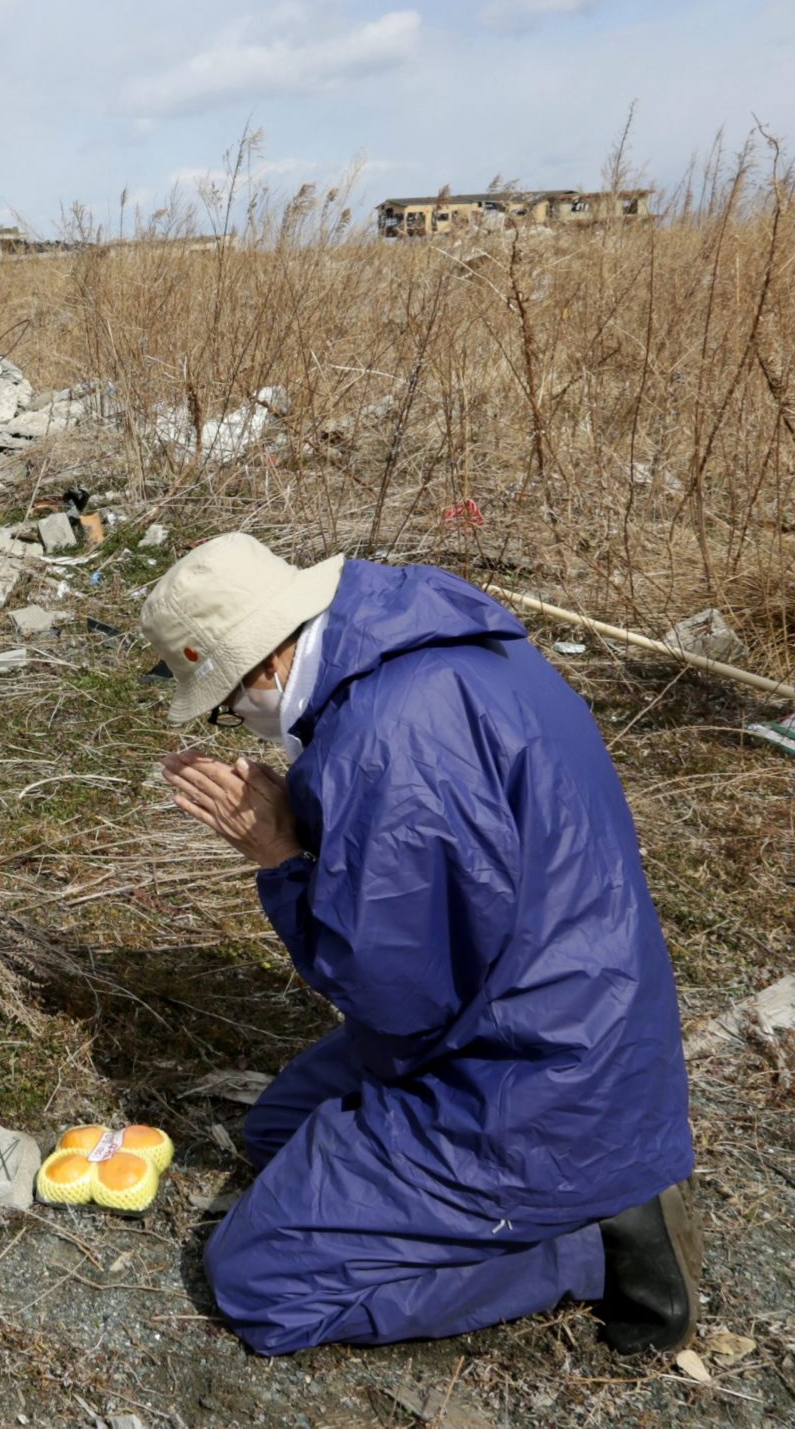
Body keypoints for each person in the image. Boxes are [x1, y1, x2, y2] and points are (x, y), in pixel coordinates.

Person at [143, 533, 700, 1357]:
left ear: (262, 665)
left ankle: (591, 1239)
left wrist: (283, 860)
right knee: (277, 1133)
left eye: (226, 702)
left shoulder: (385, 744)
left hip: (533, 1078)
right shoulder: (413, 641)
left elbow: (400, 1000)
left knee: (258, 1279)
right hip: (561, 1011)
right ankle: (538, 1190)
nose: (239, 725)